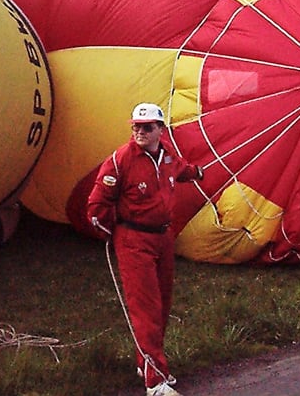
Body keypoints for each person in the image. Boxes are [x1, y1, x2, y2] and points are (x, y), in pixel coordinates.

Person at [87, 102, 204, 396]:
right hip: (134, 240)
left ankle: (147, 361)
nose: (140, 131)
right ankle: (155, 382)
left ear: (160, 130)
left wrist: (199, 172)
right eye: (136, 127)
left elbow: (180, 170)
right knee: (146, 309)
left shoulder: (165, 156)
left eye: (147, 127)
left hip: (163, 238)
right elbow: (96, 204)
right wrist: (110, 233)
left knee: (162, 304)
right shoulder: (120, 160)